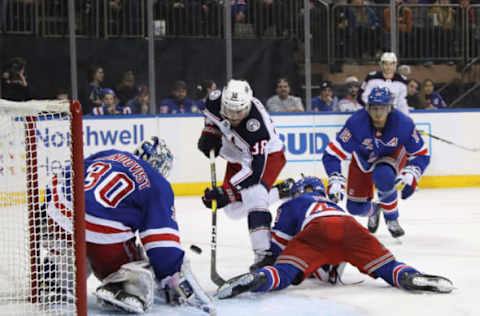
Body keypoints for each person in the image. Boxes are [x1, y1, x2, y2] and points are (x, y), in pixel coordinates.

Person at [42, 137, 214, 314]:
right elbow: (161, 245)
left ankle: (57, 274)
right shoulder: (158, 184)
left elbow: (70, 173)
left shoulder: (111, 154)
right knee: (138, 270)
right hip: (102, 227)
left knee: (76, 245)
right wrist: (171, 275)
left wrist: (46, 210)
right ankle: (124, 286)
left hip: (59, 212)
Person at [216, 176, 454, 300]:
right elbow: (340, 232)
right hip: (350, 227)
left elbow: (276, 248)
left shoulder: (294, 203)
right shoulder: (332, 204)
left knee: (283, 272)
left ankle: (258, 279)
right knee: (388, 267)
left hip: (316, 231)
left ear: (300, 192)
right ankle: (410, 276)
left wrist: (274, 263)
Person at [197, 79, 287, 271]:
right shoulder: (214, 100)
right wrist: (209, 133)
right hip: (237, 148)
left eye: (239, 112)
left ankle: (264, 254)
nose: (234, 116)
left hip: (267, 156)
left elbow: (254, 172)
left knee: (254, 195)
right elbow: (211, 118)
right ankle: (281, 191)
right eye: (229, 110)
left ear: (248, 106)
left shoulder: (257, 129)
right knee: (233, 210)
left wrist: (226, 192)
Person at [322, 87, 430, 238]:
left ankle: (391, 217)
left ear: (390, 108)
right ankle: (375, 210)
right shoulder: (356, 123)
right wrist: (334, 176)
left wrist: (414, 172)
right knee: (354, 208)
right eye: (374, 109)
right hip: (362, 158)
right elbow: (332, 155)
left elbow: (421, 154)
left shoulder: (403, 124)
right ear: (367, 108)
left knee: (383, 175)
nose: (378, 114)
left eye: (382, 109)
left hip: (392, 154)